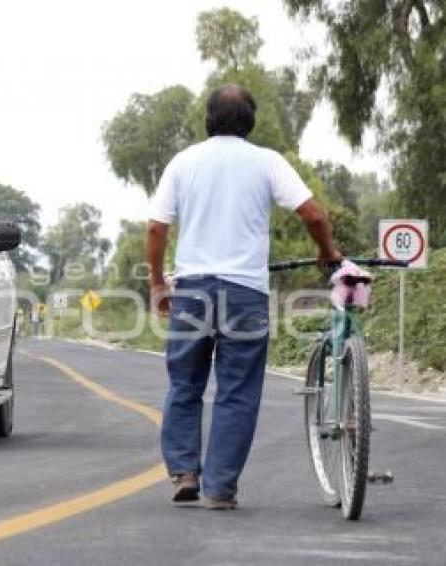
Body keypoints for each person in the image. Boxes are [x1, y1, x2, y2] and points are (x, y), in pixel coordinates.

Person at [145, 84, 342, 510]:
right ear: (250, 121)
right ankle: (219, 488)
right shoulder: (267, 162)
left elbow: (156, 228)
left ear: (207, 119)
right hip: (244, 294)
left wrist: (158, 283)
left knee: (185, 383)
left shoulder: (184, 162)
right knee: (237, 391)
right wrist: (327, 252)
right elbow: (313, 213)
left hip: (193, 290)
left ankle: (184, 472)